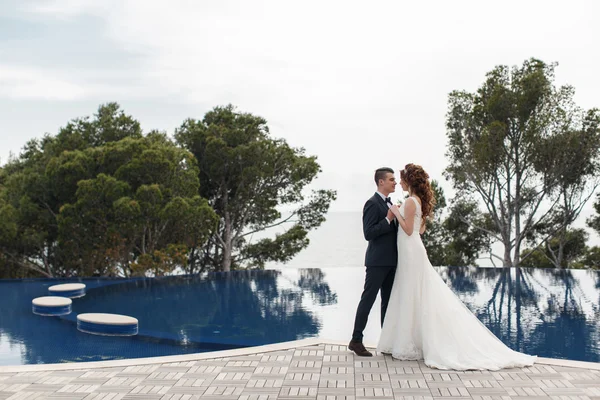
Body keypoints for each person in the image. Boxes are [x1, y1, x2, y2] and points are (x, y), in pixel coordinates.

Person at [377, 163, 536, 370]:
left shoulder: (408, 202)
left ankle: (408, 343)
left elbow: (407, 230)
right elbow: (420, 230)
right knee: (413, 291)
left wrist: (394, 212)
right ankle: (411, 341)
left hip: (410, 250)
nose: (400, 182)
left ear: (409, 181)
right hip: (415, 249)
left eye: (402, 179)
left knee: (409, 291)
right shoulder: (419, 201)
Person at [349, 167, 398, 357]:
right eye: (391, 179)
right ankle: (356, 340)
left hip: (391, 262)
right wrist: (388, 219)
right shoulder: (372, 203)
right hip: (377, 262)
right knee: (367, 300)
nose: (395, 182)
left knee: (387, 303)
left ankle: (385, 342)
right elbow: (368, 233)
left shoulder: (390, 203)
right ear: (381, 182)